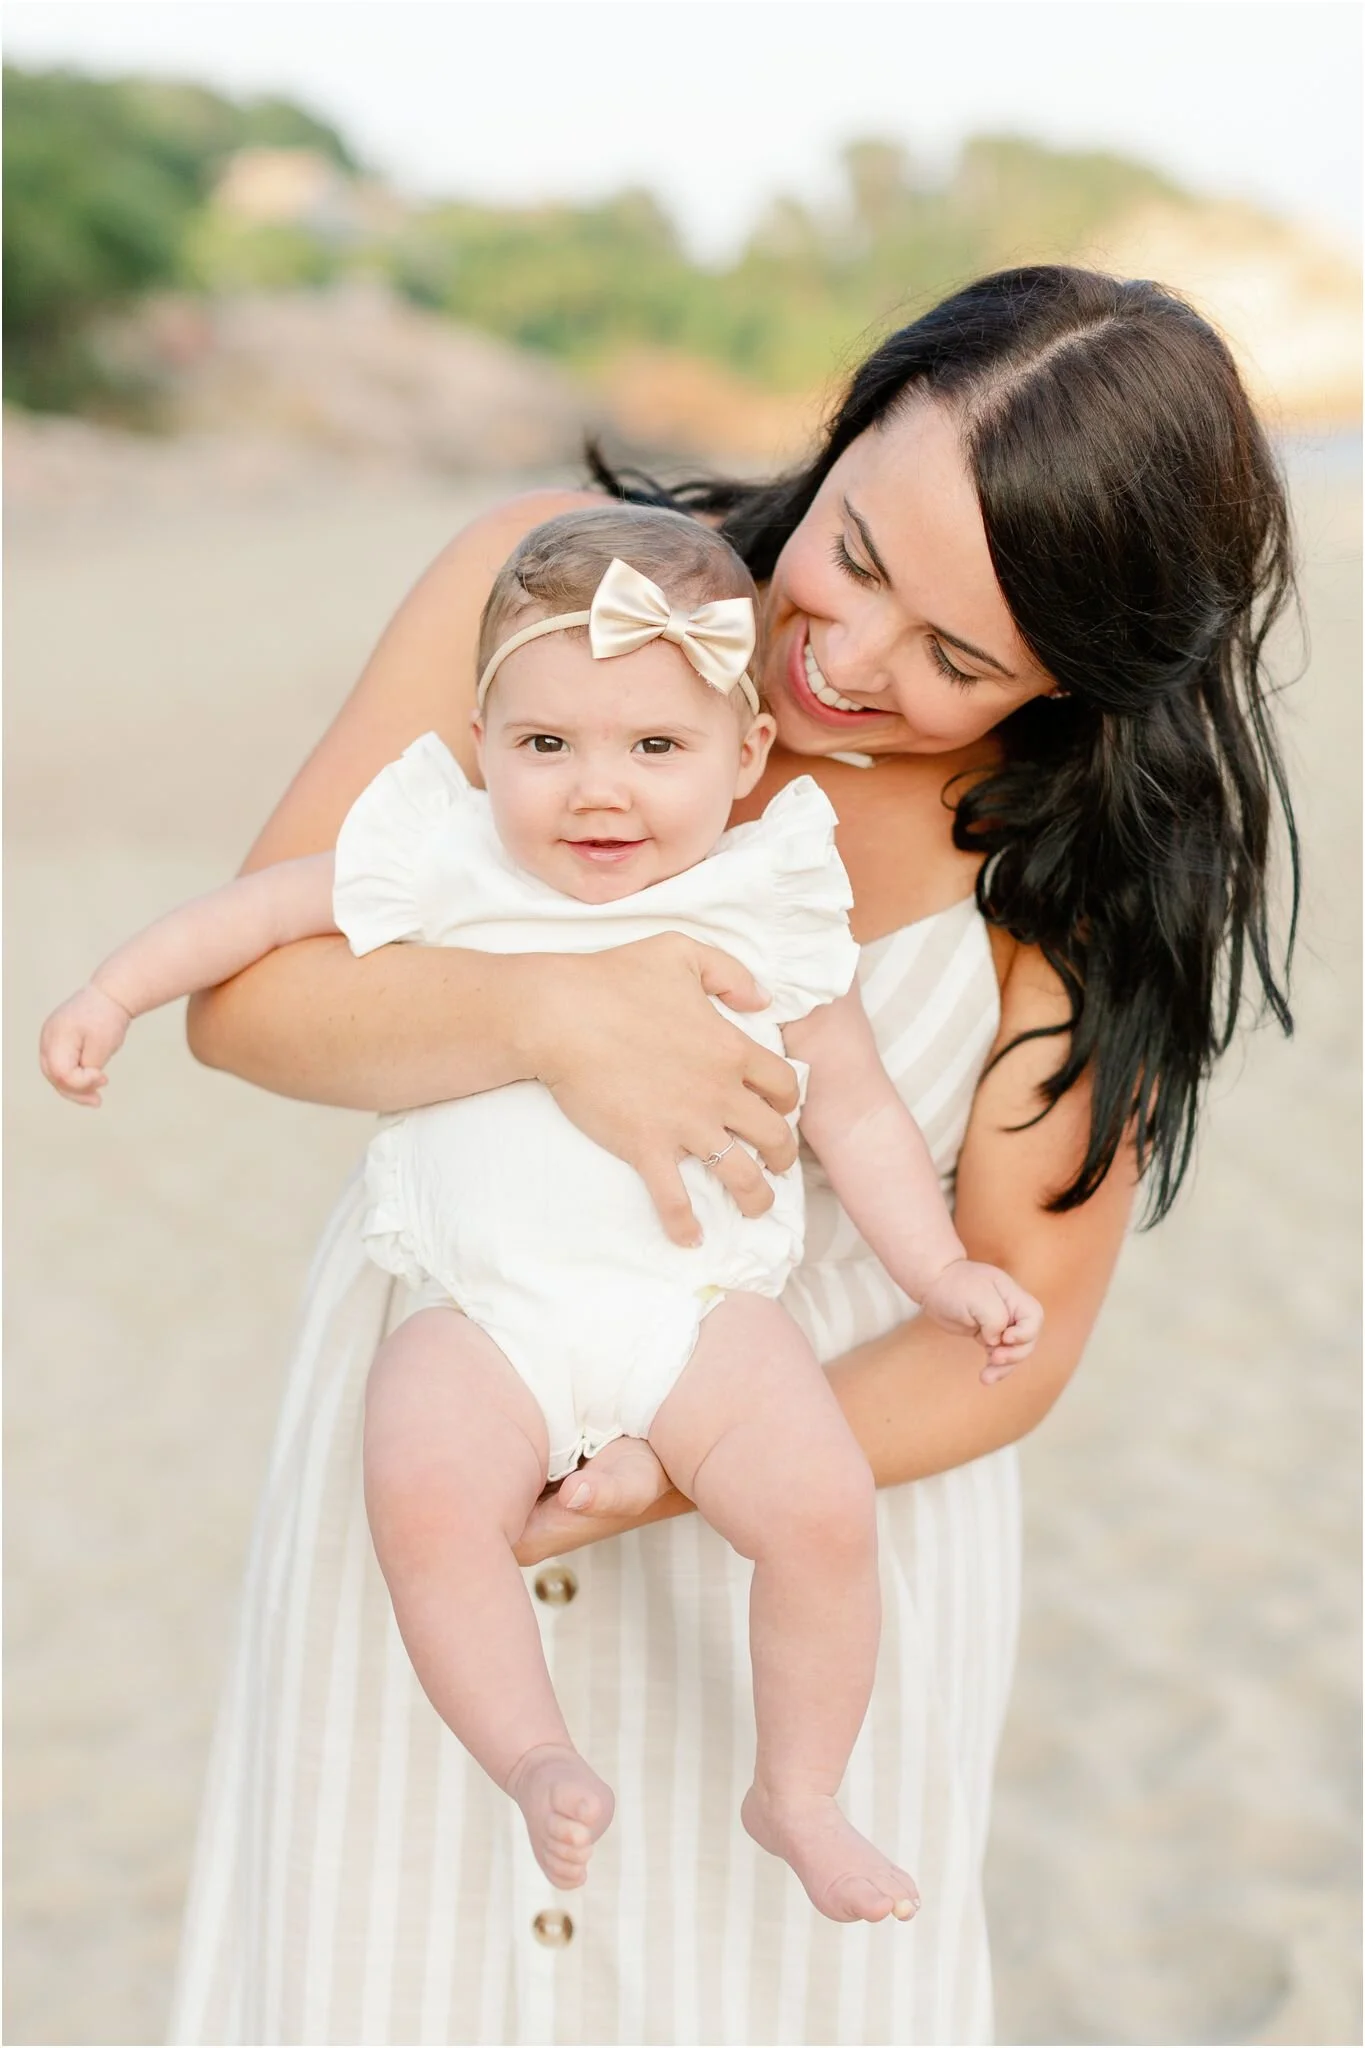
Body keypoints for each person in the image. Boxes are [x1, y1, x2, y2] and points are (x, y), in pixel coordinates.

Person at [165, 266, 1296, 2046]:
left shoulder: (1075, 878)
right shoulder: (549, 594)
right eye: (856, 554)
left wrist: (684, 1468)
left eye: (960, 660)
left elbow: (1016, 1342)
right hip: (445, 1456)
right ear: (847, 427)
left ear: (1078, 676)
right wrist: (553, 1018)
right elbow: (243, 1001)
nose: (847, 660)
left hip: (801, 1525)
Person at [40, 507, 1044, 1922]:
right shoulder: (449, 858)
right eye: (547, 744)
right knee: (424, 1494)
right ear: (485, 739)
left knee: (821, 1507)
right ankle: (532, 1757)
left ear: (746, 756)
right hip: (485, 1321)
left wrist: (939, 1274)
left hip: (700, 1319)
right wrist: (113, 993)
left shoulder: (765, 902)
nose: (596, 792)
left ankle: (800, 1792)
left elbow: (862, 1115)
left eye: (657, 747)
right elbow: (257, 915)